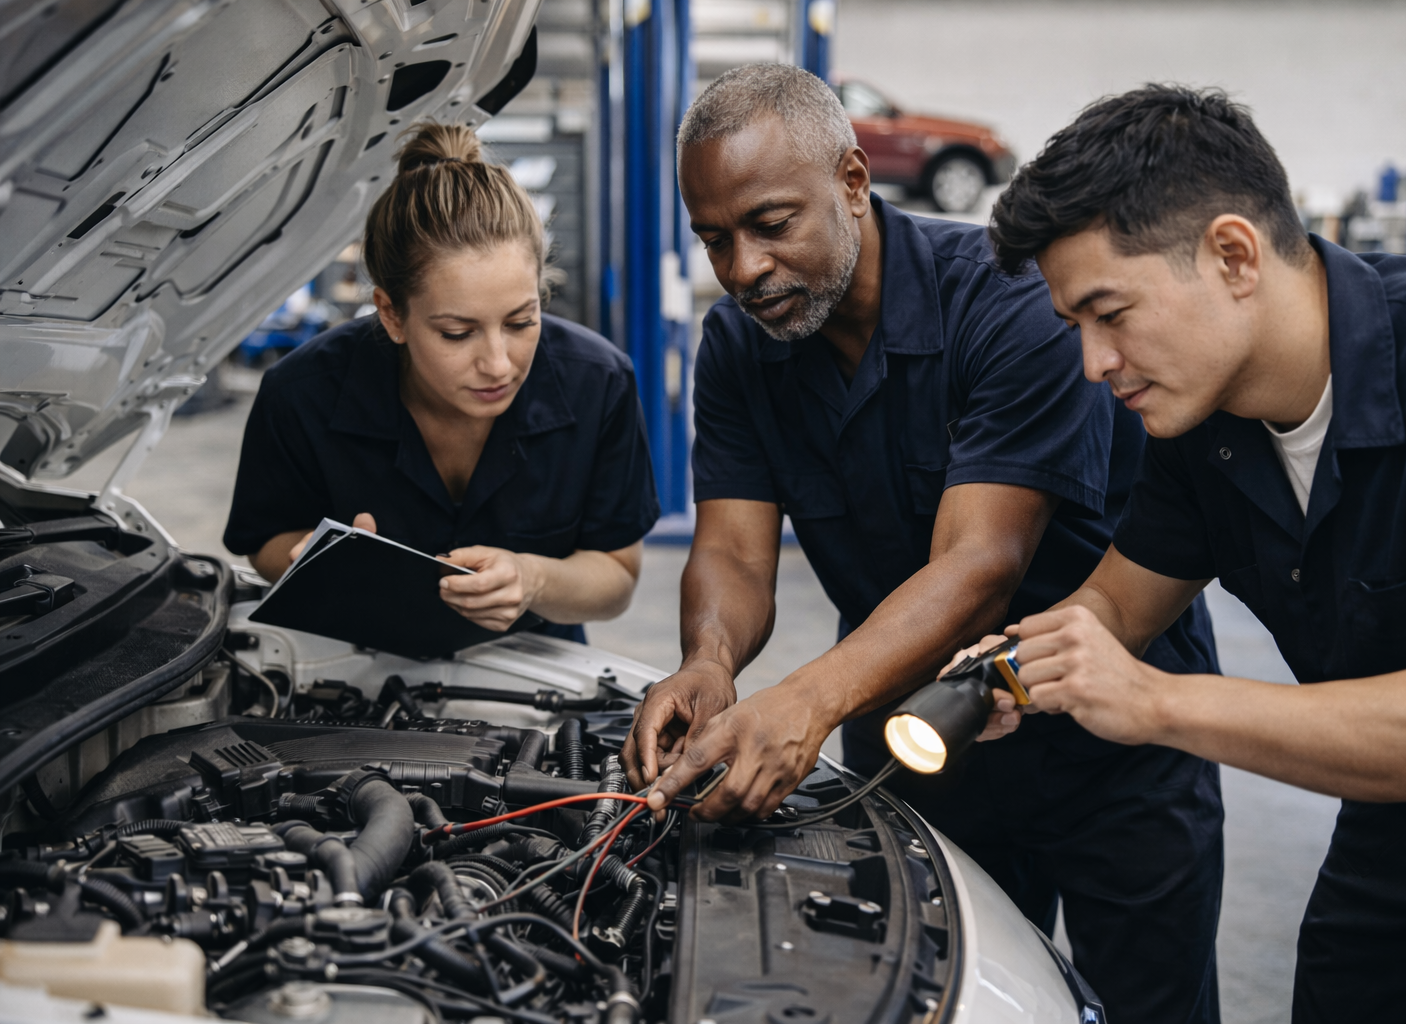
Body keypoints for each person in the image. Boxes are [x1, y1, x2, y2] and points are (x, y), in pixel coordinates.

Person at [620, 64, 1224, 1023]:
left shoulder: (1009, 303)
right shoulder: (740, 345)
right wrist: (710, 661)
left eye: (772, 225)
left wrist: (804, 704)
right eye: (713, 240)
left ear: (854, 184)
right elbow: (735, 553)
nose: (742, 270)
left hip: (1109, 749)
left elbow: (979, 567)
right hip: (918, 745)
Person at [980, 84, 1406, 1021]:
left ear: (1233, 254)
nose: (1093, 363)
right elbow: (1119, 604)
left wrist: (1154, 701)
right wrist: (1012, 667)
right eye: (1076, 327)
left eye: (1109, 313)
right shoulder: (1204, 417)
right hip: (1391, 818)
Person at [224, 123, 659, 642]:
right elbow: (266, 538)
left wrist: (534, 578)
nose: (498, 364)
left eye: (522, 322)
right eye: (458, 333)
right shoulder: (300, 394)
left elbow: (617, 576)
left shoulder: (600, 384)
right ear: (391, 315)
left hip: (532, 673)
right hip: (356, 663)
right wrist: (317, 558)